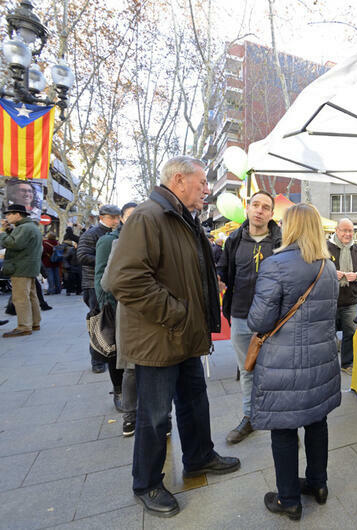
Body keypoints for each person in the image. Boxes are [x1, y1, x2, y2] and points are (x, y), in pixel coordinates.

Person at [106, 156, 239, 518]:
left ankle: (198, 457)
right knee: (154, 417)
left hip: (184, 336)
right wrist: (176, 312)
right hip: (160, 339)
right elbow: (123, 280)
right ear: (179, 180)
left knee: (195, 401)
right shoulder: (149, 217)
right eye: (203, 183)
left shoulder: (181, 217)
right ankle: (147, 483)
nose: (208, 189)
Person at [248, 203, 340, 521]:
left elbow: (259, 320)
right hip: (322, 360)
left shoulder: (277, 265)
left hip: (284, 363)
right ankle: (318, 483)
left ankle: (288, 499)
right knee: (317, 421)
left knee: (284, 429)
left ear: (290, 227)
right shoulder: (328, 267)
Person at [216, 190, 281, 444]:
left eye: (266, 207)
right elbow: (224, 270)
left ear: (271, 214)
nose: (260, 210)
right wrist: (217, 280)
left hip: (274, 319)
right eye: (256, 205)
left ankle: (279, 421)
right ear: (247, 207)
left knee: (276, 370)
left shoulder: (281, 241)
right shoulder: (233, 239)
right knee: (247, 369)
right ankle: (250, 417)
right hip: (241, 315)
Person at [96, 202, 138, 435]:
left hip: (153, 316)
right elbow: (104, 281)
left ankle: (160, 418)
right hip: (127, 312)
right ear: (122, 219)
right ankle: (130, 416)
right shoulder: (114, 243)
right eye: (129, 216)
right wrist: (106, 305)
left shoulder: (155, 241)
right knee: (130, 367)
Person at [78, 205, 121, 374]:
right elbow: (81, 256)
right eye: (112, 217)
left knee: (110, 322)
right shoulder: (91, 234)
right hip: (92, 284)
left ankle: (111, 354)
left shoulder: (119, 234)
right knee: (99, 322)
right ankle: (97, 359)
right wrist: (107, 258)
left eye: (118, 217)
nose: (116, 221)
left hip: (110, 284)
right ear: (101, 217)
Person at [327, 218, 357, 370]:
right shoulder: (325, 247)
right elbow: (317, 268)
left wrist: (356, 276)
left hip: (351, 299)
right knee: (328, 334)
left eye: (350, 230)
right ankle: (329, 365)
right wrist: (331, 272)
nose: (348, 234)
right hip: (329, 299)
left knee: (350, 332)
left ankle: (347, 363)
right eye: (344, 230)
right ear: (336, 230)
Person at [0, 204, 43, 338]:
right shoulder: (30, 227)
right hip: (29, 267)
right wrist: (8, 231)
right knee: (31, 296)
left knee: (20, 298)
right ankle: (34, 322)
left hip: (20, 267)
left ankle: (24, 326)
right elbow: (19, 242)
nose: (7, 217)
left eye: (9, 214)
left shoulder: (24, 228)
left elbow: (15, 244)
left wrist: (1, 235)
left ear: (18, 214)